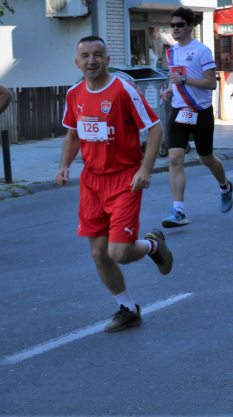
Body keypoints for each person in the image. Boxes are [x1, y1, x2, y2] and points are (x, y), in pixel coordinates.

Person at [57, 36, 173, 332]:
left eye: (97, 55)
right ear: (77, 62)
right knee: (98, 253)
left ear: (107, 60)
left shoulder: (123, 90)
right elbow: (72, 135)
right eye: (85, 56)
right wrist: (64, 166)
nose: (91, 60)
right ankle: (127, 308)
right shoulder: (74, 94)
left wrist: (145, 169)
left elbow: (155, 128)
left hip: (125, 178)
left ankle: (152, 245)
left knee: (118, 252)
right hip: (92, 182)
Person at [160, 8, 233, 228]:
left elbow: (211, 84)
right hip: (179, 110)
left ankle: (225, 187)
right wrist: (170, 89)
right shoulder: (171, 52)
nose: (175, 28)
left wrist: (183, 80)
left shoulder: (202, 51)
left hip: (200, 111)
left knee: (206, 158)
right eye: (172, 25)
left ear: (190, 26)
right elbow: (175, 79)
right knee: (174, 158)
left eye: (179, 25)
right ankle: (179, 211)